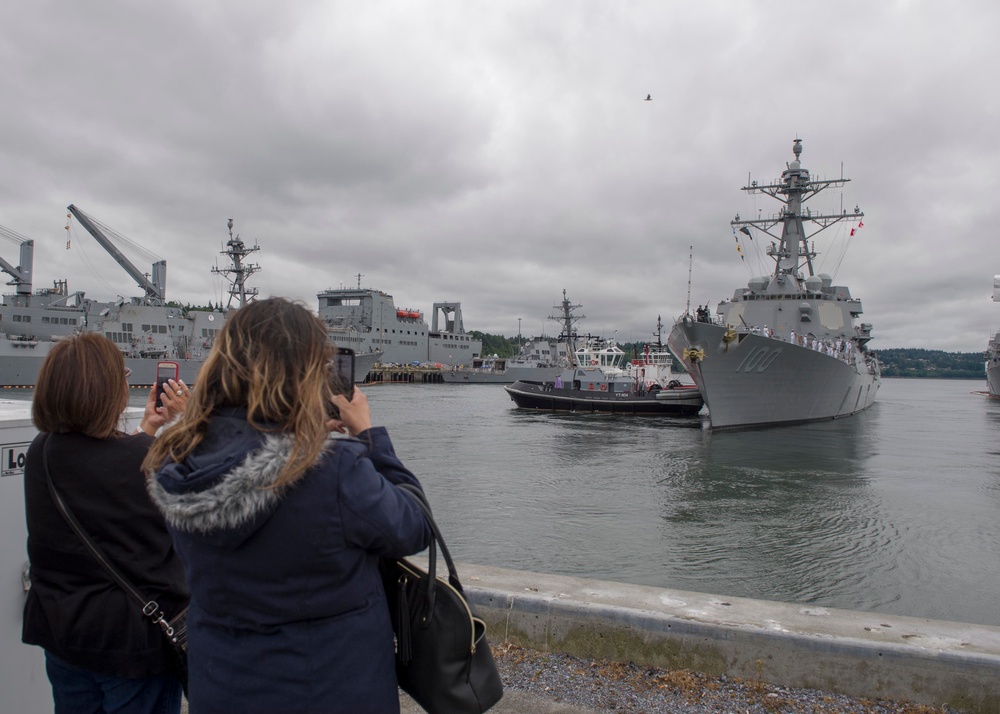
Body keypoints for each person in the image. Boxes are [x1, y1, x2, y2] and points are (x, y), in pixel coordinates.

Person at [143, 297, 433, 714]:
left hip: (222, 685)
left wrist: (303, 426)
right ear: (304, 374)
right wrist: (368, 435)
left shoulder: (177, 462)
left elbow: (244, 445)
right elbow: (415, 525)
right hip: (329, 689)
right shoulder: (333, 471)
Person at [23, 333, 190, 714]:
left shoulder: (41, 452)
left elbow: (102, 472)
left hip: (64, 636)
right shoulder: (144, 461)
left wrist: (148, 428)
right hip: (132, 648)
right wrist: (191, 420)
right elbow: (215, 495)